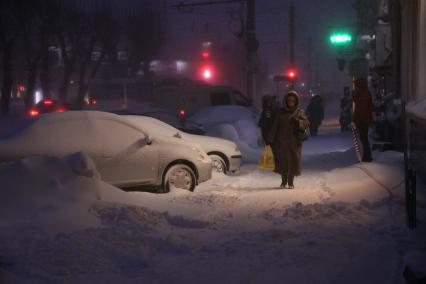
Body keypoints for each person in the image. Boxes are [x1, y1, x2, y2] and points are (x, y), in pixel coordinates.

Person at [267, 91, 309, 189]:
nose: (291, 102)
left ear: (296, 101)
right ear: (286, 101)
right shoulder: (280, 112)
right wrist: (270, 139)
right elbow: (275, 126)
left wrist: (298, 122)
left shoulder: (299, 112)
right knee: (282, 162)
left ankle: (291, 182)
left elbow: (306, 123)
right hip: (281, 142)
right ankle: (283, 182)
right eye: (289, 100)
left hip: (294, 142)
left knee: (293, 162)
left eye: (293, 100)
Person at [352, 78, 374, 162]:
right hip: (365, 119)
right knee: (364, 138)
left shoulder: (361, 94)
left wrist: (356, 119)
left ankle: (367, 156)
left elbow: (359, 108)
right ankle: (366, 155)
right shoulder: (366, 93)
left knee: (363, 138)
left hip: (362, 120)